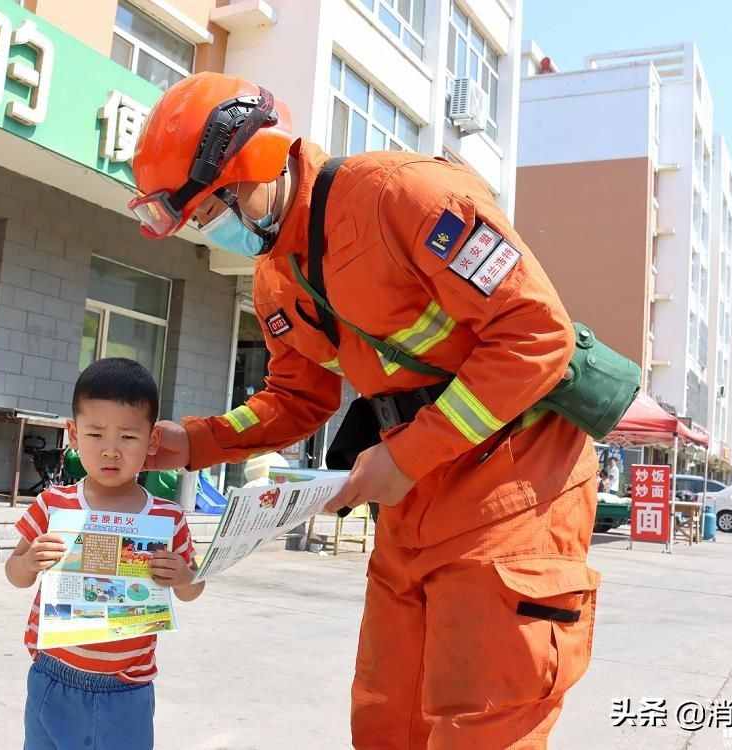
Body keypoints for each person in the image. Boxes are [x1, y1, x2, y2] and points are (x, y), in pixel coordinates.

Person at [127, 72, 601, 748]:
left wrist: (407, 455)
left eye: (209, 213)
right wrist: (195, 441)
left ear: (253, 168)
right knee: (386, 722)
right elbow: (297, 399)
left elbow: (537, 333)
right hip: (408, 508)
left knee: (480, 725)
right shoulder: (274, 279)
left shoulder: (409, 197)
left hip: (516, 496)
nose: (211, 233)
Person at [5, 357, 204, 750]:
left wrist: (183, 576)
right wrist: (29, 563)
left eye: (128, 438)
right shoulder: (53, 504)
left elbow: (193, 587)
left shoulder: (166, 517)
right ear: (74, 434)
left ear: (152, 441)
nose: (110, 451)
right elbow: (14, 572)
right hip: (52, 676)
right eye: (96, 435)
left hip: (126, 692)